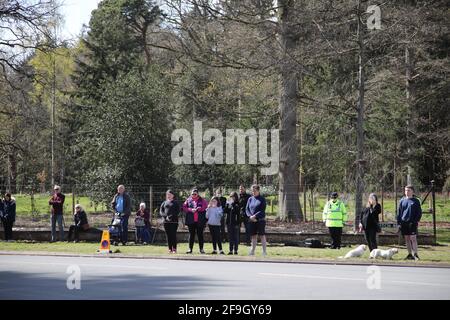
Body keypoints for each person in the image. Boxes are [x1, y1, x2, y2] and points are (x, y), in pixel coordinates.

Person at [397, 185, 422, 260]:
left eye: (408, 190)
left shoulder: (416, 201)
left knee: (413, 238)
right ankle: (410, 254)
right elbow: (399, 213)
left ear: (412, 191)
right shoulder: (402, 200)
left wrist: (415, 221)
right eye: (405, 190)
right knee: (407, 239)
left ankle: (415, 254)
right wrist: (399, 223)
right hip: (404, 223)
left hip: (412, 223)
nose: (406, 192)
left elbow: (419, 213)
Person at [182, 188, 208, 254]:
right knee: (191, 235)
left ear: (197, 194)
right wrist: (190, 209)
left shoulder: (202, 200)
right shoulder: (188, 200)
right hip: (191, 220)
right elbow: (184, 207)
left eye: (195, 194)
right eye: (192, 194)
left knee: (200, 235)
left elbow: (206, 207)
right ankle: (190, 249)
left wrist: (200, 208)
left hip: (200, 220)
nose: (194, 195)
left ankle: (201, 249)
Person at [246, 184, 267, 256]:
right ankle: (252, 251)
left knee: (262, 235)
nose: (253, 192)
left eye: (254, 191)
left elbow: (262, 210)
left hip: (260, 220)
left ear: (258, 191)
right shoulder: (250, 199)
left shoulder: (262, 199)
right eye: (252, 191)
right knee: (253, 236)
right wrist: (250, 216)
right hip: (252, 220)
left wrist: (255, 216)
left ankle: (264, 252)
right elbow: (247, 209)